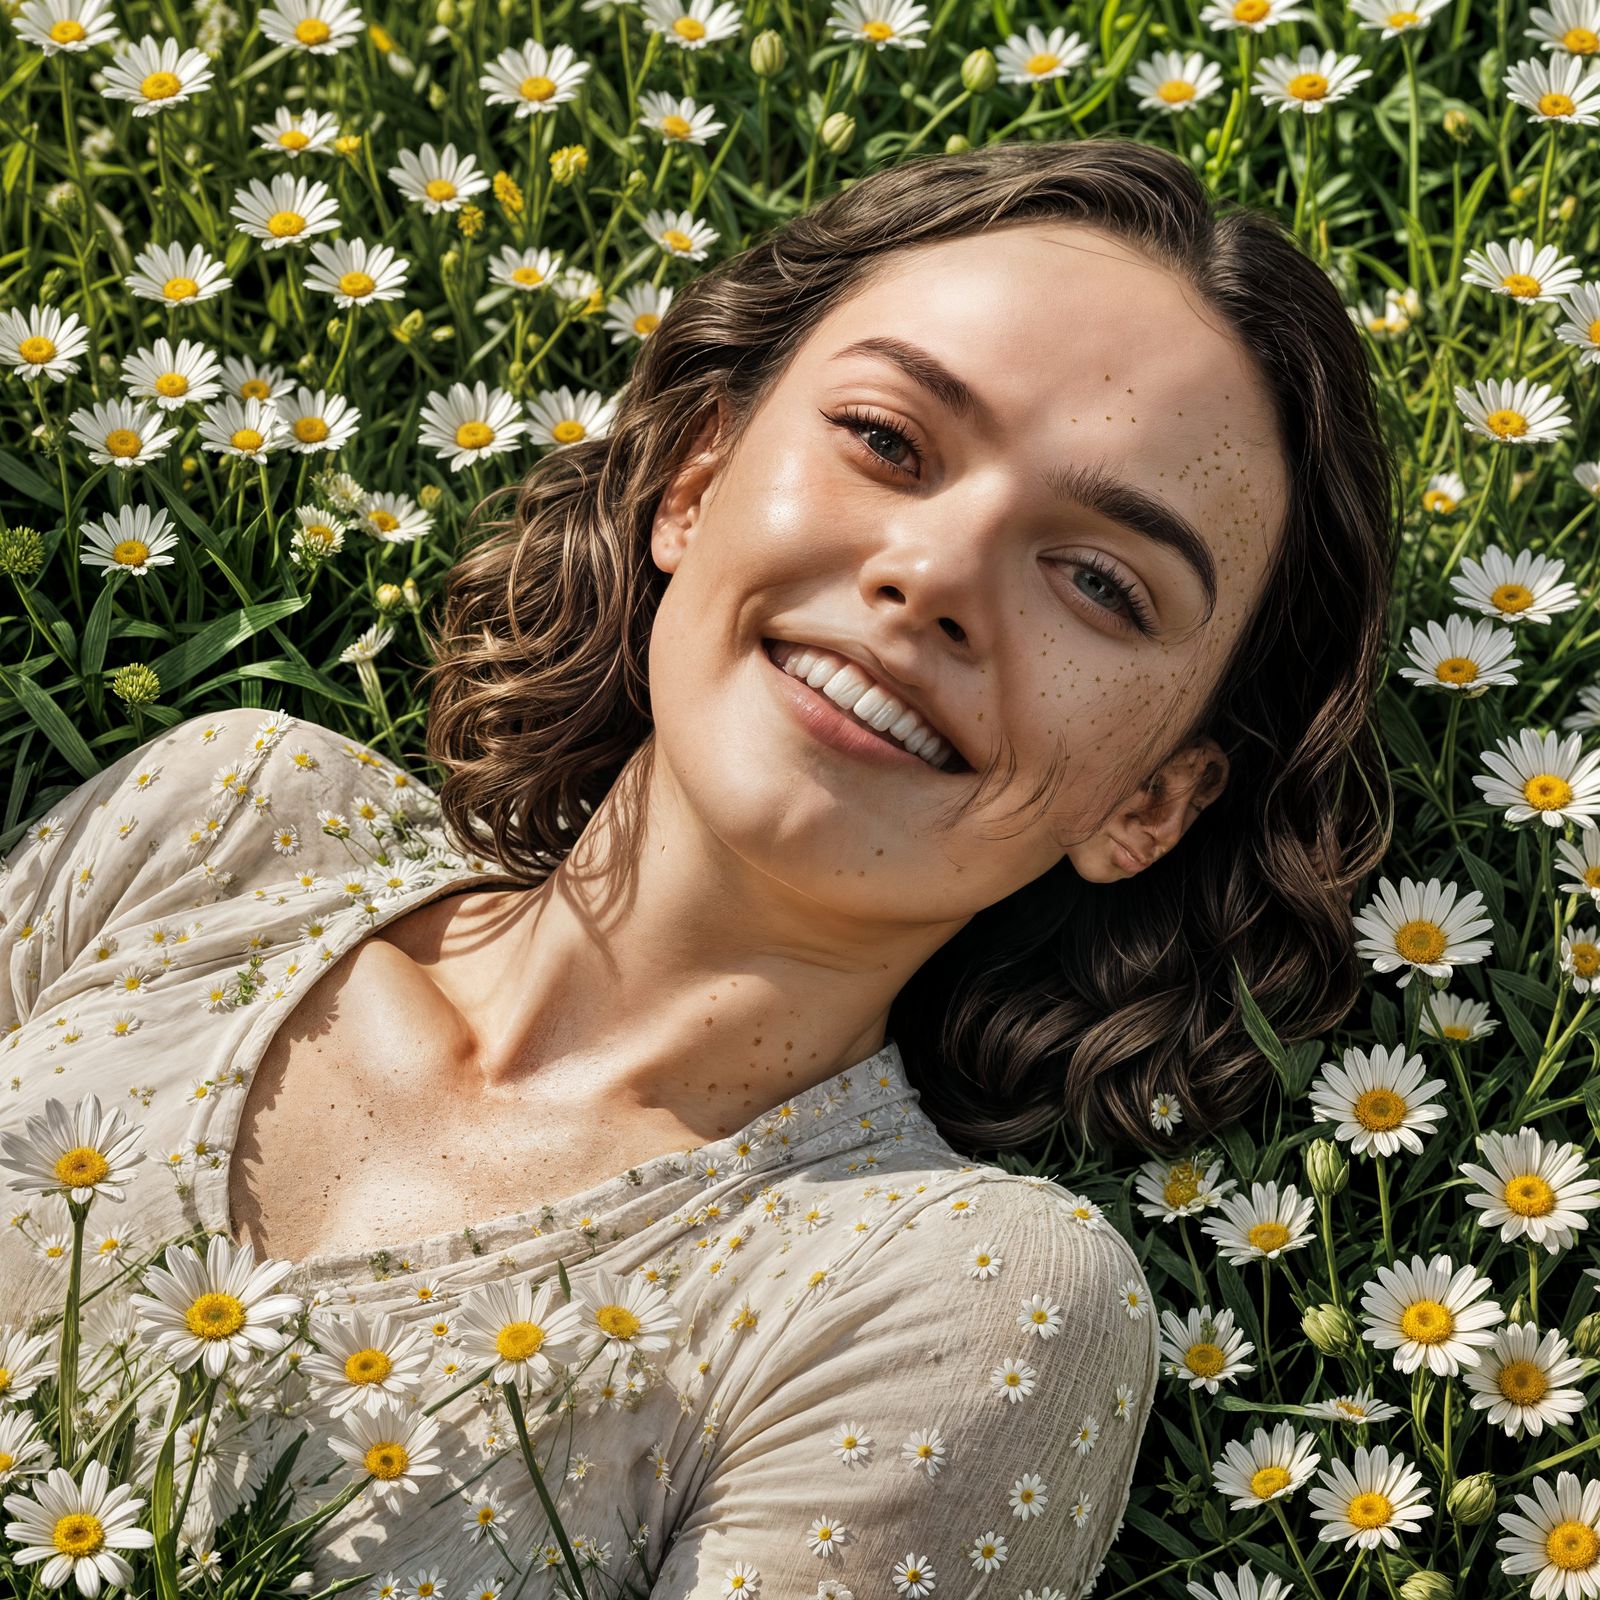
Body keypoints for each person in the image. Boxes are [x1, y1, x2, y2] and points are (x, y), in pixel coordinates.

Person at [0, 137, 1394, 1598]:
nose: (934, 575)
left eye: (1103, 583)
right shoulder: (224, 820)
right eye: (888, 441)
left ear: (1152, 805)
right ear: (695, 480)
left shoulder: (949, 1292)